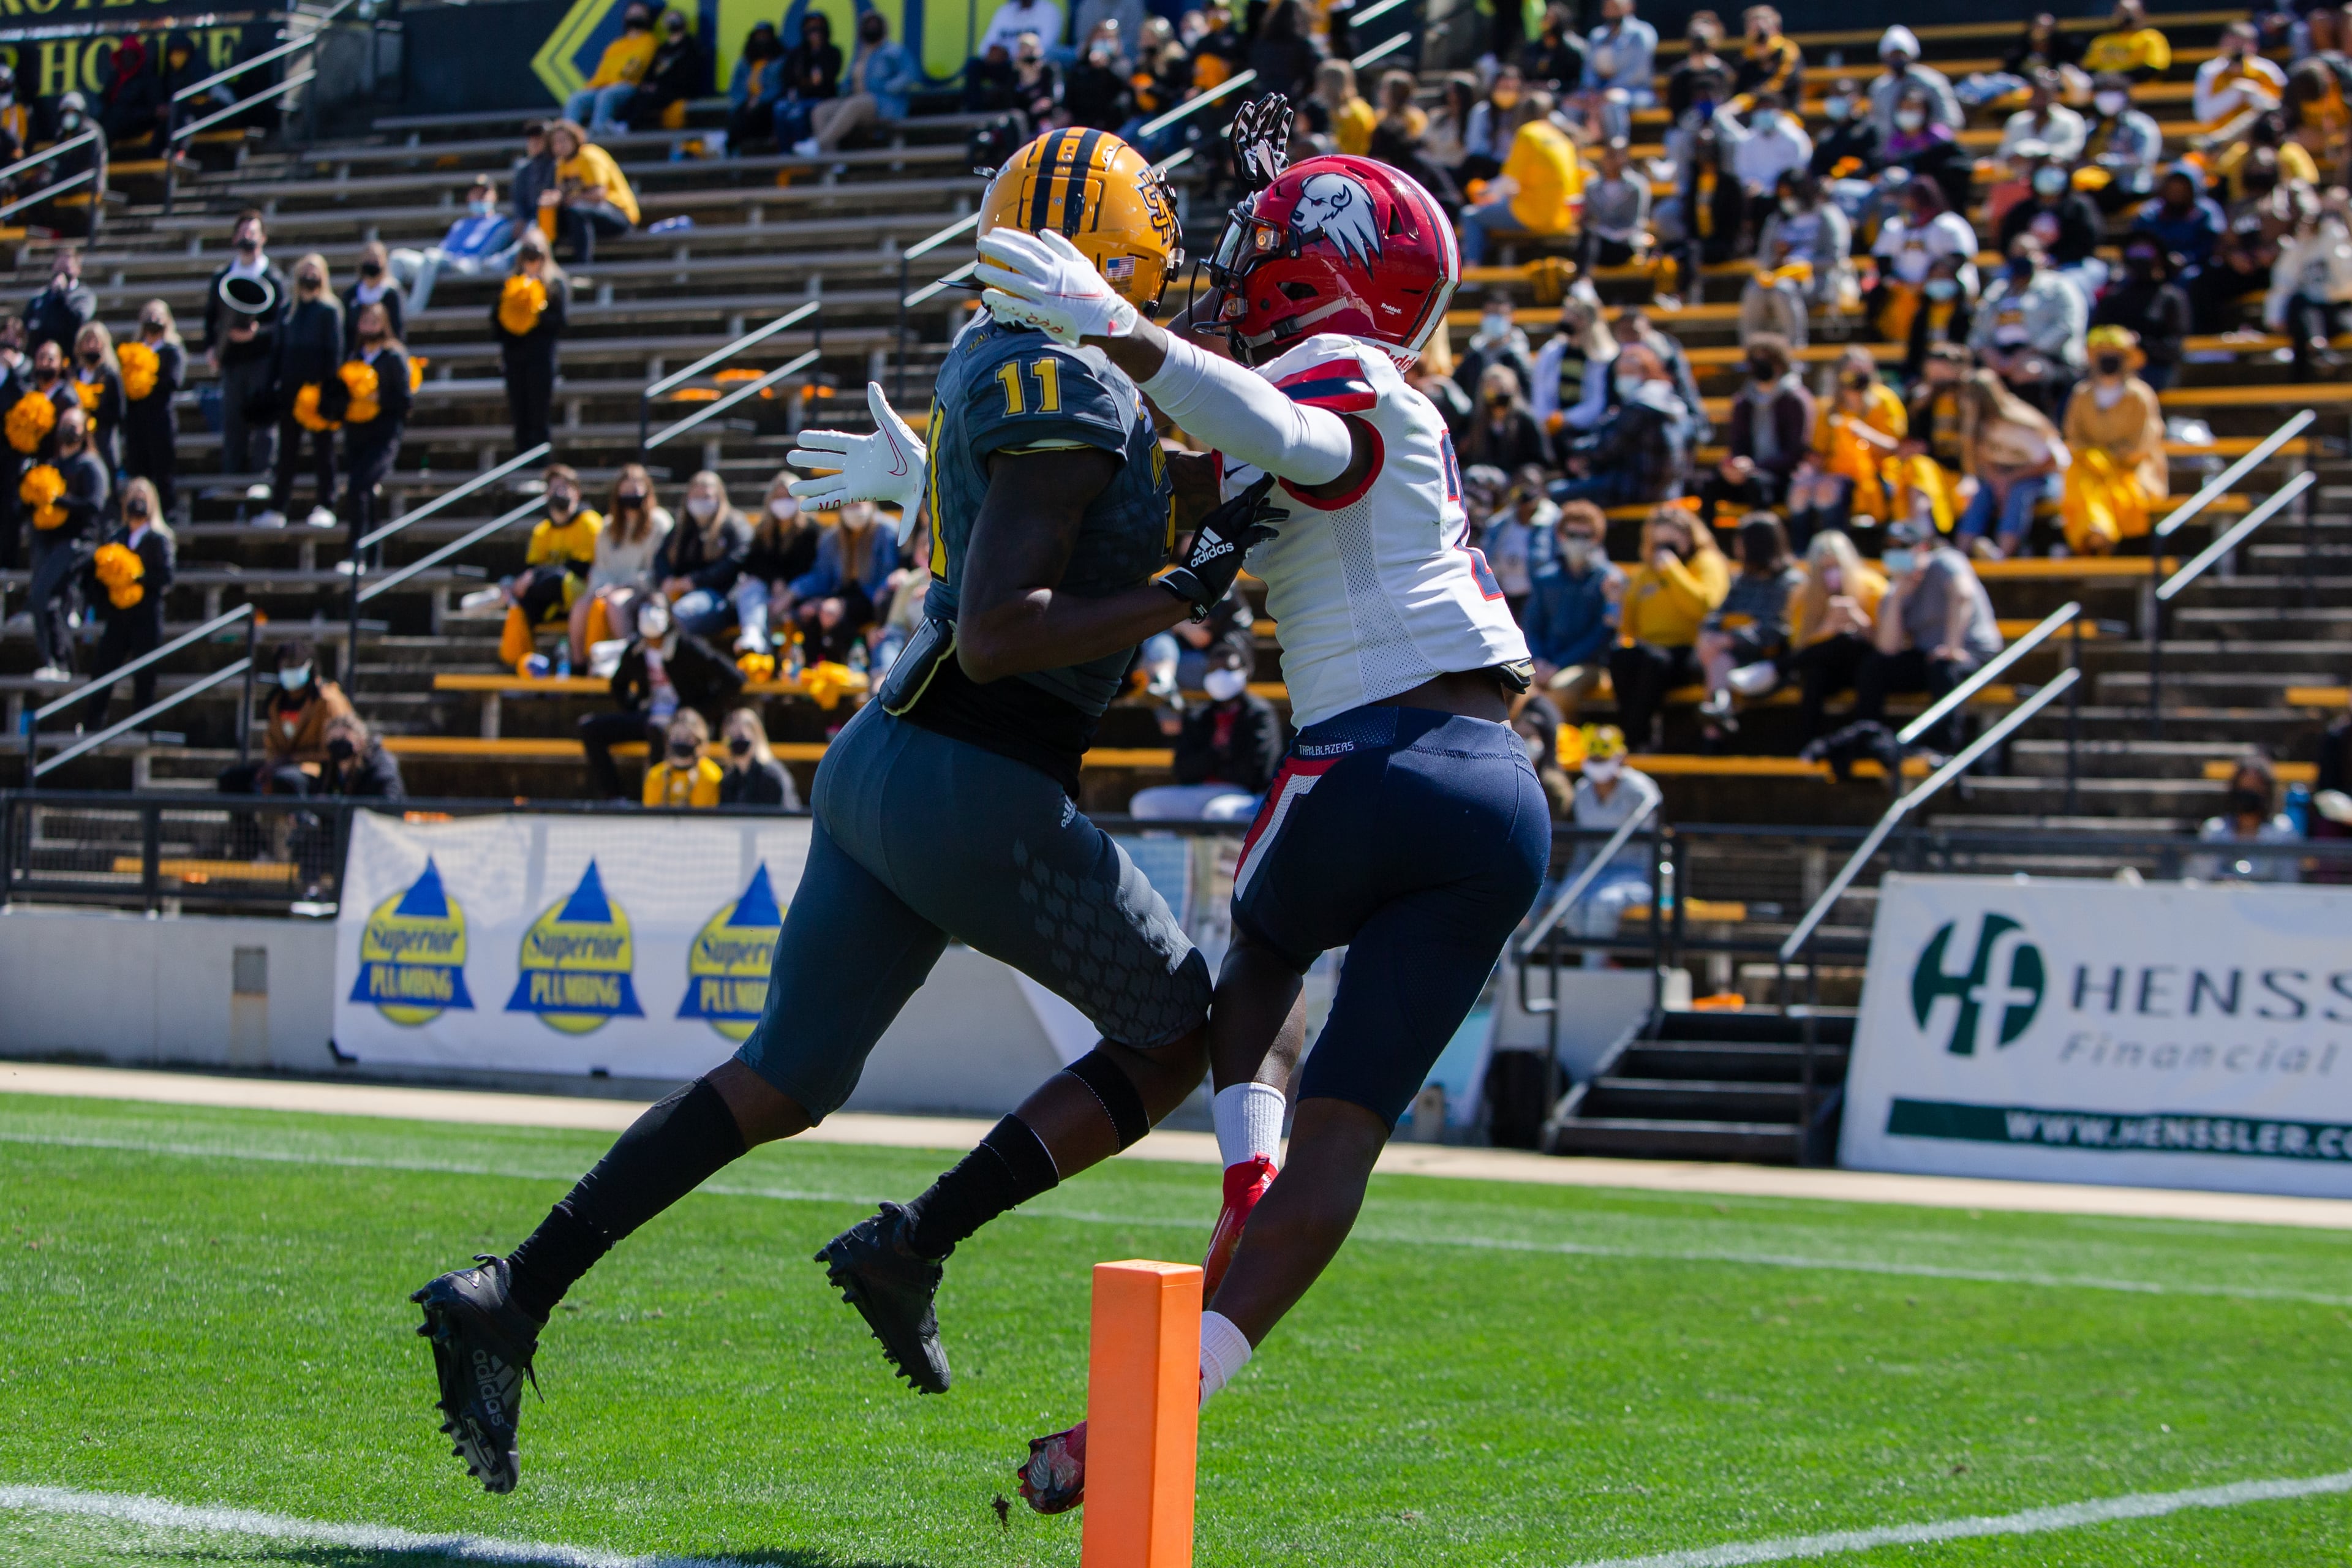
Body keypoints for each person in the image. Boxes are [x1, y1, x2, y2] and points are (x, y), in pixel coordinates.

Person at [411, 130, 1234, 1495]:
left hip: (875, 769)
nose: (1167, 253)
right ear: (1111, 242)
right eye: (1150, 231)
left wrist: (932, 486)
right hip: (978, 770)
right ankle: (918, 1236)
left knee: (784, 1077)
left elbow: (1024, 527)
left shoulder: (1001, 347)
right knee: (1177, 1036)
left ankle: (517, 1284)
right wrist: (1186, 588)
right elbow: (999, 627)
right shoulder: (1074, 381)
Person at [973, 146, 1547, 1514]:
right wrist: (926, 480)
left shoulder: (1341, 381)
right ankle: (1168, 1404)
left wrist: (1122, 323)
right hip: (1504, 790)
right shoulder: (1305, 398)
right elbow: (1138, 510)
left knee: (1260, 959)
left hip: (1371, 758)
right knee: (1345, 1139)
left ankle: (1241, 1169)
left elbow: (1304, 440)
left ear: (1325, 268)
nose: (1228, 271)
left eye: (1256, 250)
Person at [1853, 518, 2003, 753]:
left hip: (1973, 652)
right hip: (1929, 658)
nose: (1895, 553)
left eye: (1902, 547)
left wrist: (1953, 648)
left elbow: (1962, 596)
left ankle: (1946, 751)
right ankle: (1869, 738)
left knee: (1943, 666)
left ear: (1921, 548)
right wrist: (1897, 596)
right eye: (1890, 548)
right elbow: (1888, 648)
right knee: (1875, 666)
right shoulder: (1895, 589)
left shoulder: (1946, 561)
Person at [578, 594, 745, 801]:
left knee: (657, 730)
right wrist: (633, 708)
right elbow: (618, 684)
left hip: (682, 724)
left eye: (656, 609)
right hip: (650, 717)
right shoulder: (637, 650)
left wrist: (702, 712)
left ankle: (655, 802)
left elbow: (734, 679)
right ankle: (615, 797)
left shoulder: (688, 647)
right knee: (590, 728)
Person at [1607, 505, 1728, 750]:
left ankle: (1633, 740)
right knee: (1622, 657)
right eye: (1659, 543)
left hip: (1692, 650)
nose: (1664, 550)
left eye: (1671, 542)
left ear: (1688, 537)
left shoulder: (1707, 562)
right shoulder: (1645, 574)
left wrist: (1673, 570)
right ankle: (1636, 739)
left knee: (1654, 661)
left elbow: (1704, 606)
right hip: (1652, 650)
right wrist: (1616, 601)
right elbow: (1628, 628)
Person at [1129, 645, 1284, 821]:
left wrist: (1211, 761)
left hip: (1246, 795)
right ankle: (1172, 850)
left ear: (1246, 671)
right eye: (1214, 669)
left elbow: (1259, 773)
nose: (1220, 674)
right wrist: (1218, 756)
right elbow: (1182, 769)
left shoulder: (1259, 714)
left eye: (1228, 669)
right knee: (1145, 803)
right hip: (1202, 791)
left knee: (1217, 813)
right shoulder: (1199, 716)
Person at [2059, 326, 2167, 557]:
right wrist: (2093, 457)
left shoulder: (2140, 395)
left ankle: (2100, 536)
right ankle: (2096, 535)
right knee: (2079, 478)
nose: (2108, 360)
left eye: (2115, 354)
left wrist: (2108, 458)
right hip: (2091, 467)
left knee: (2108, 488)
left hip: (2132, 470)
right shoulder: (2082, 394)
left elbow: (2143, 443)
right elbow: (2073, 435)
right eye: (2102, 354)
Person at [1786, 344, 1910, 545]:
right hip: (1837, 473)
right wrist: (1810, 471)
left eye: (1861, 371)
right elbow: (1819, 452)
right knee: (1800, 489)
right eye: (1850, 371)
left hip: (1877, 474)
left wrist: (1862, 431)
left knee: (1828, 489)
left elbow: (1896, 447)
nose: (1855, 376)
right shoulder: (1829, 408)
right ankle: (1802, 550)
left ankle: (1837, 548)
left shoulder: (1885, 400)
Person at [1694, 512, 1801, 739]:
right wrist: (1710, 635)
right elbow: (1715, 616)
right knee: (1718, 660)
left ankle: (1714, 731)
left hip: (1773, 661)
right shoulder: (1740, 580)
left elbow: (1778, 631)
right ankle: (1718, 719)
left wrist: (1731, 638)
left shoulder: (1790, 582)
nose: (1736, 546)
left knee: (1719, 661)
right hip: (1732, 657)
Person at [23, 401, 109, 683]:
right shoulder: (53, 465)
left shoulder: (90, 465)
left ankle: (60, 662)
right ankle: (58, 662)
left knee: (42, 595)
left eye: (75, 425)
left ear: (85, 431)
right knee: (48, 601)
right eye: (65, 425)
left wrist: (60, 502)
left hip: (77, 543)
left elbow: (95, 505)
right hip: (50, 543)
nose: (69, 430)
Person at [1556, 724, 1660, 951]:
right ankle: (1588, 961)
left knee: (1603, 903)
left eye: (1604, 760)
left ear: (1620, 758)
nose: (1599, 766)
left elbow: (1653, 842)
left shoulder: (1642, 792)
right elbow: (1584, 846)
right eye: (1595, 760)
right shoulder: (1583, 791)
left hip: (1635, 876)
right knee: (1567, 895)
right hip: (1594, 874)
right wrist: (1574, 877)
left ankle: (1595, 968)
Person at [78, 477, 172, 727]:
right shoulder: (116, 537)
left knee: (145, 673)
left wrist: (136, 576)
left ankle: (142, 727)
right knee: (103, 667)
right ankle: (92, 723)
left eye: (143, 497)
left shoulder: (158, 538)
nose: (137, 503)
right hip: (119, 615)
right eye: (133, 497)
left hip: (146, 615)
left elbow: (166, 577)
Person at [1553, 342, 1689, 510]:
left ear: (1647, 372)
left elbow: (1606, 449)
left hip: (1636, 489)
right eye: (1621, 373)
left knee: (1554, 494)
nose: (1624, 379)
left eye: (1630, 373)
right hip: (1665, 490)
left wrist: (1576, 450)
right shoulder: (1668, 399)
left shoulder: (1641, 406)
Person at [263, 253, 343, 531]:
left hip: (318, 391)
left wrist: (329, 392)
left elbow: (334, 353)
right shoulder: (288, 311)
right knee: (287, 451)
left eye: (315, 272)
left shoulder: (329, 310)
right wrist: (271, 386)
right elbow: (277, 352)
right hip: (290, 392)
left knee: (324, 450)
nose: (309, 278)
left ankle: (326, 504)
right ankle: (277, 507)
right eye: (305, 272)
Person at [1457, 90, 1583, 265]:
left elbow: (1508, 182)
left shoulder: (1528, 133)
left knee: (1470, 215)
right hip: (1564, 215)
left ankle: (1472, 269)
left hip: (1536, 215)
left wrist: (1484, 192)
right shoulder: (1561, 137)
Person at [1954, 369, 2068, 558]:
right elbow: (1982, 459)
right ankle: (1960, 554)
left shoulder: (2018, 424)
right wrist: (1998, 479)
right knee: (1981, 493)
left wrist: (2009, 479)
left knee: (2019, 492)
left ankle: (2002, 554)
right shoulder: (1977, 427)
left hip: (2044, 476)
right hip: (2005, 474)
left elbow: (2052, 462)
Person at [1702, 332, 1811, 527]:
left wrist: (1756, 466)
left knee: (1756, 483)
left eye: (1766, 359)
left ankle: (1763, 545)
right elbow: (1738, 443)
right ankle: (1707, 549)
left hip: (1783, 477)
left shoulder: (1795, 399)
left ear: (1779, 363)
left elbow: (1796, 452)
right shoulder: (1743, 401)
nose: (1760, 364)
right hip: (1748, 472)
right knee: (1708, 484)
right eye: (1756, 359)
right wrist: (1734, 465)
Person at [499, 464, 601, 671]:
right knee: (520, 601)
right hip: (551, 599)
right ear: (546, 494)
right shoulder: (542, 531)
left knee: (557, 579)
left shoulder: (589, 523)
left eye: (566, 487)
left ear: (577, 492)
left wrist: (536, 574)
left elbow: (582, 568)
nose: (560, 493)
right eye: (555, 488)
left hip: (583, 594)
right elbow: (533, 568)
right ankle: (522, 665)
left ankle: (579, 665)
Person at [1788, 529, 1887, 742]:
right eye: (1824, 569)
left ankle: (1775, 667)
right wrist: (1827, 627)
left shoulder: (1873, 587)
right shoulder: (1803, 595)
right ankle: (1807, 743)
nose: (1831, 574)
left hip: (1865, 667)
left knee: (1856, 651)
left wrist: (1858, 620)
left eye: (1836, 567)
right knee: (1815, 674)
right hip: (1830, 670)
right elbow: (1800, 647)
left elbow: (1887, 646)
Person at [1969, 238, 2087, 417]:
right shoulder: (1997, 290)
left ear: (2042, 256)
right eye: (2015, 254)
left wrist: (2028, 353)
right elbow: (1978, 332)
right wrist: (1989, 354)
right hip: (2000, 356)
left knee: (2028, 372)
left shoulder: (2060, 287)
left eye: (2026, 254)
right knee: (1981, 379)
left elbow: (2067, 326)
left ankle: (2040, 433)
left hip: (2047, 357)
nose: (2020, 258)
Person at [1523, 499, 1621, 714]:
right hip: (1543, 662)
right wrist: (1539, 661)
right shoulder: (1545, 578)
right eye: (1572, 535)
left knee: (1560, 689)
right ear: (1560, 535)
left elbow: (1602, 634)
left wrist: (1558, 665)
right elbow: (1532, 626)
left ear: (1597, 539)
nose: (1578, 542)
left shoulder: (1610, 580)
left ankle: (1558, 745)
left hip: (1588, 666)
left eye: (1585, 536)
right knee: (1513, 687)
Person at [218, 640, 352, 796]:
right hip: (279, 767)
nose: (289, 670)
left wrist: (290, 759)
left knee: (286, 780)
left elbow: (335, 750)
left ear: (309, 666)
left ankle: (301, 820)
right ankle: (245, 821)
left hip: (316, 770)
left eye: (294, 665)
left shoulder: (328, 700)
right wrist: (271, 766)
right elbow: (271, 745)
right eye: (285, 666)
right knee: (231, 780)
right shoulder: (276, 701)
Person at [332, 300, 410, 559]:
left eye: (374, 321)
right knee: (366, 493)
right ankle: (372, 554)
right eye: (365, 321)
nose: (369, 326)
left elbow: (405, 400)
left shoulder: (393, 356)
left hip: (383, 436)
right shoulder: (354, 357)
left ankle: (357, 553)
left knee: (359, 488)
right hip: (357, 435)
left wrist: (380, 399)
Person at [1741, 170, 1850, 348]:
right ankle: (1751, 351)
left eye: (1789, 193)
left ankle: (1795, 351)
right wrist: (1777, 260)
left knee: (1782, 290)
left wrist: (1802, 265)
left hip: (1816, 280)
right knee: (1753, 290)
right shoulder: (1778, 219)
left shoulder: (1827, 215)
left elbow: (1835, 258)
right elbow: (1764, 257)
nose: (1786, 199)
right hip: (1779, 276)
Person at [794, 9, 916, 157]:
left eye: (874, 24)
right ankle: (832, 160)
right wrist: (847, 87)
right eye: (867, 24)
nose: (871, 27)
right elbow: (847, 82)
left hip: (886, 104)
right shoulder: (861, 55)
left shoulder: (894, 51)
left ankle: (817, 144)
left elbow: (909, 76)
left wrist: (883, 87)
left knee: (855, 104)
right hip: (859, 102)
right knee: (821, 111)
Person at [393, 178, 519, 317]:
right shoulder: (461, 224)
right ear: (469, 197)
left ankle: (412, 313)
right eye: (476, 193)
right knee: (397, 258)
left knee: (431, 256)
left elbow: (485, 255)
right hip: (444, 261)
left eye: (485, 193)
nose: (481, 197)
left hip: (470, 264)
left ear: (495, 196)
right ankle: (395, 309)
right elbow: (444, 249)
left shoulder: (501, 224)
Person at [492, 230, 567, 456]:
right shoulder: (510, 285)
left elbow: (560, 323)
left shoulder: (555, 285)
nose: (532, 260)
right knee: (519, 412)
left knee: (539, 413)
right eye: (527, 254)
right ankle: (522, 458)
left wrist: (535, 311)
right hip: (515, 357)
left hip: (540, 358)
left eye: (537, 254)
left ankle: (542, 461)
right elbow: (496, 323)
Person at [656, 469, 752, 641]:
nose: (701, 501)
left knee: (683, 613)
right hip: (679, 593)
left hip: (720, 597)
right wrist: (667, 579)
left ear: (719, 497)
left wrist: (695, 581)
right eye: (696, 496)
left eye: (706, 497)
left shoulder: (734, 525)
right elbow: (660, 558)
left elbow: (734, 562)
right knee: (650, 615)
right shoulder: (682, 527)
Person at [2266, 187, 2352, 378]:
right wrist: (2275, 315)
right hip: (2307, 314)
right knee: (2302, 306)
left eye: (2334, 214)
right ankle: (2319, 352)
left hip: (2341, 311)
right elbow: (2284, 280)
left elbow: (2346, 285)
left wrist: (2333, 235)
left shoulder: (2342, 241)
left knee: (2306, 318)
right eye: (2325, 214)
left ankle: (2304, 381)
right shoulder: (2302, 244)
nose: (2327, 220)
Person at [733, 477, 819, 657]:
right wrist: (775, 581)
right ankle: (753, 635)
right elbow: (753, 564)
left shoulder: (812, 531)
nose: (783, 502)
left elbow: (815, 570)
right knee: (749, 587)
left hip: (800, 595)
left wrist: (789, 593)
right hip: (769, 594)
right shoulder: (764, 531)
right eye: (778, 497)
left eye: (788, 496)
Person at [2092, 239, 2190, 390]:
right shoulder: (2113, 298)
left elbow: (2174, 347)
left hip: (2155, 368)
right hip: (2113, 364)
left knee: (2132, 388)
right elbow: (2096, 334)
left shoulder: (2172, 298)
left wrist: (2140, 343)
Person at [2190, 756, 2301, 882]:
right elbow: (2199, 878)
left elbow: (2288, 882)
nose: (2248, 795)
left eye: (2255, 789)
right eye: (2244, 788)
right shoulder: (2214, 830)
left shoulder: (2282, 832)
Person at [118, 301, 183, 514]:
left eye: (158, 315)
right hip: (136, 420)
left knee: (162, 470)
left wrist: (147, 379)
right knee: (137, 470)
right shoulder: (133, 350)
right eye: (149, 315)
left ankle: (167, 513)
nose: (153, 320)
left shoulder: (173, 350)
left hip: (160, 419)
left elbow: (174, 381)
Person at [541, 119, 638, 263]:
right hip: (587, 214)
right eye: (555, 142)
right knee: (549, 213)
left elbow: (599, 194)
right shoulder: (561, 164)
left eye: (564, 140)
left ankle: (583, 266)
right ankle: (548, 264)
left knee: (577, 210)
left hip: (618, 214)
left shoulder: (589, 155)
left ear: (575, 138)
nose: (560, 145)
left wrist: (572, 198)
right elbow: (562, 193)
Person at [564, 1, 660, 135]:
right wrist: (597, 84)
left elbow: (635, 68)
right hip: (603, 86)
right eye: (632, 13)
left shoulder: (649, 41)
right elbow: (603, 70)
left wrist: (612, 82)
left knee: (606, 95)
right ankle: (567, 136)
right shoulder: (615, 45)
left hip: (628, 86)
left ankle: (596, 135)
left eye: (639, 13)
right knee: (576, 99)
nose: (635, 16)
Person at [2081, 72, 2166, 213]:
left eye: (2113, 91)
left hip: (2129, 187)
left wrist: (2108, 163)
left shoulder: (2141, 125)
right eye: (2103, 91)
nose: (2108, 97)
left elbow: (2144, 160)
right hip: (2092, 186)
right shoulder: (2090, 127)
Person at [1868, 26, 1961, 141]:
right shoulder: (1880, 88)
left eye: (1901, 54)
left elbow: (1951, 119)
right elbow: (1878, 125)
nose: (1898, 59)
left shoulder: (1932, 81)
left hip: (1931, 148)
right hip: (1894, 151)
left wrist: (1928, 139)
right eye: (1893, 55)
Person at [1582, 0, 1658, 141]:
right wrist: (1592, 89)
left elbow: (1638, 72)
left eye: (1616, 7)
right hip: (1600, 92)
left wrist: (1608, 90)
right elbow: (1589, 69)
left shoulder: (1641, 33)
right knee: (1571, 104)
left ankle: (1616, 149)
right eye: (1608, 7)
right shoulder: (1597, 35)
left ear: (1629, 7)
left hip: (1636, 91)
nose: (1612, 11)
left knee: (1613, 102)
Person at [626, 9, 711, 131]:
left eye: (675, 18)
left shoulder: (691, 46)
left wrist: (662, 86)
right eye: (669, 19)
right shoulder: (662, 49)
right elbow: (650, 73)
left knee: (649, 97)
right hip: (659, 90)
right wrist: (648, 85)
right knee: (639, 95)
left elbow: (689, 75)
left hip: (679, 90)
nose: (672, 22)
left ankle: (628, 125)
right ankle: (620, 123)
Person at [1577, 138, 1651, 276]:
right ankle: (1583, 284)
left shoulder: (1636, 186)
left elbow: (1634, 222)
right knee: (1586, 239)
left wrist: (1604, 230)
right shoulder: (1591, 186)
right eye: (1610, 154)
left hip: (1626, 245)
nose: (1613, 159)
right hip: (1599, 245)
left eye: (1618, 155)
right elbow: (1588, 218)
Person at [1462, 363, 1548, 472]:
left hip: (1517, 480)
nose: (1497, 395)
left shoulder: (1526, 419)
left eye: (1501, 390)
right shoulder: (1477, 421)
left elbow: (1542, 460)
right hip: (1485, 479)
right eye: (1492, 391)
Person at [1457, 289, 1534, 411]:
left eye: (1499, 314)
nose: (1493, 319)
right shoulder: (1473, 355)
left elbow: (1529, 399)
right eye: (1490, 314)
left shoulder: (1519, 359)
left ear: (1512, 317)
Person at [775, 12, 843, 149]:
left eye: (818, 27)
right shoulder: (796, 54)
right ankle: (786, 156)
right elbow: (788, 79)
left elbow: (827, 80)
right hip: (797, 98)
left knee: (798, 113)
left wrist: (819, 51)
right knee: (780, 109)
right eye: (810, 27)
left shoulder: (833, 52)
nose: (814, 31)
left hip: (823, 99)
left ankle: (803, 159)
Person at [67, 321, 123, 473]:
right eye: (87, 341)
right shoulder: (74, 375)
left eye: (96, 341)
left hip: (103, 440)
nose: (92, 345)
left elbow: (119, 412)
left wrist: (94, 410)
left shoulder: (110, 375)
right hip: (77, 439)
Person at [1997, 71, 2087, 165]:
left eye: (2043, 96)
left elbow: (2073, 150)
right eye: (2036, 95)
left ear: (2053, 96)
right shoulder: (2018, 121)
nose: (2039, 101)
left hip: (2057, 170)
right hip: (2021, 171)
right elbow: (2005, 152)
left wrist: (2046, 154)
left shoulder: (2071, 120)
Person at [718, 707, 800, 807]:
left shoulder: (772, 776)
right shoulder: (729, 780)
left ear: (756, 736)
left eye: (741, 736)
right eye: (732, 738)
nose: (737, 742)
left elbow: (786, 816)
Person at [643, 709, 725, 807]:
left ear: (698, 739)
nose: (682, 741)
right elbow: (651, 816)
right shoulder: (655, 775)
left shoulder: (711, 775)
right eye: (677, 736)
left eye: (688, 737)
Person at [22, 249, 93, 360]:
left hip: (70, 358)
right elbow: (26, 323)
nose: (61, 273)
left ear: (78, 270)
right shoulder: (41, 297)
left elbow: (79, 319)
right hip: (42, 360)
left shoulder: (83, 296)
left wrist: (63, 294)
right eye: (59, 268)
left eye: (66, 268)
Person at [341, 241, 405, 358]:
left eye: (376, 260)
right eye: (368, 259)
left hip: (384, 358)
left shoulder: (391, 294)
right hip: (356, 358)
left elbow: (397, 333)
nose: (371, 264)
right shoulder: (351, 295)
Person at [2081, 0, 2171, 83]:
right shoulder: (2102, 41)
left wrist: (2119, 78)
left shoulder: (2151, 37)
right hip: (2102, 86)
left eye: (2133, 12)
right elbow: (2089, 68)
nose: (2127, 17)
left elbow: (2153, 69)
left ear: (2142, 14)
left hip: (2137, 88)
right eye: (2123, 12)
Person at [727, 22, 785, 149]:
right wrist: (746, 101)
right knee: (737, 115)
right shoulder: (744, 63)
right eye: (759, 36)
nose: (762, 40)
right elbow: (735, 89)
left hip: (767, 106)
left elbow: (778, 88)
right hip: (745, 105)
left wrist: (759, 100)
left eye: (765, 36)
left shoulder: (780, 62)